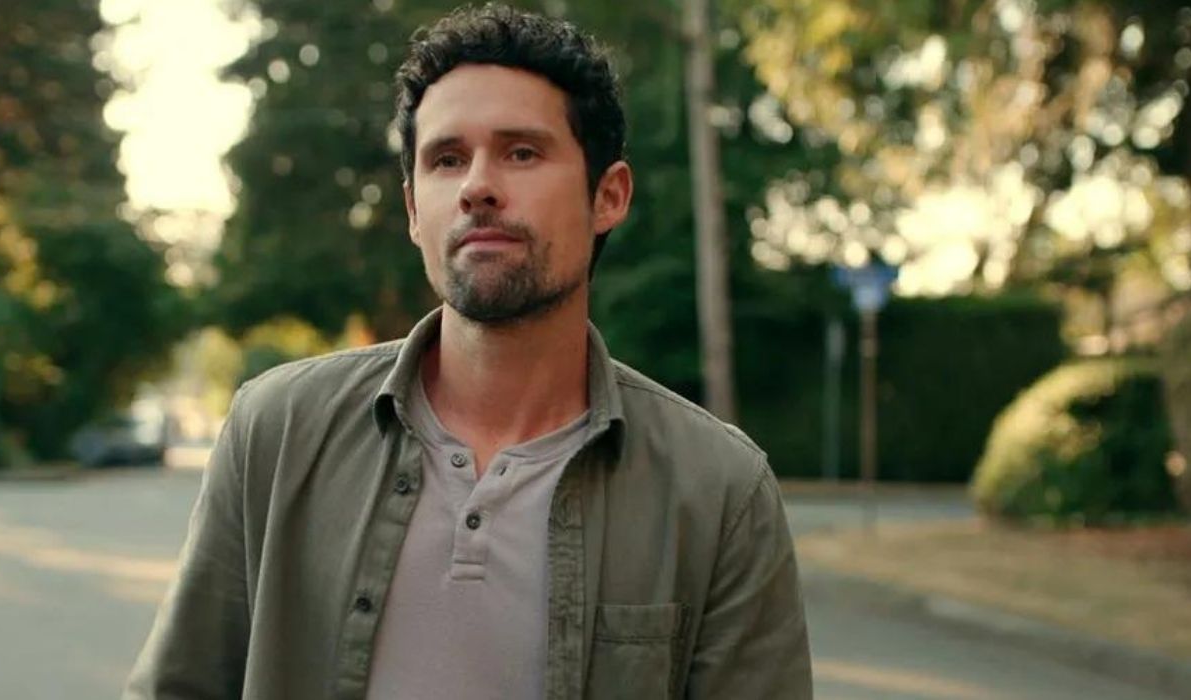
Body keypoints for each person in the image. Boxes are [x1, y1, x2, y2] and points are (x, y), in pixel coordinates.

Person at [124, 4, 811, 699]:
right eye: (447, 159)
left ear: (607, 196)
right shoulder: (276, 431)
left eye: (521, 152)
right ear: (415, 210)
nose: (478, 186)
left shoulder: (718, 492)